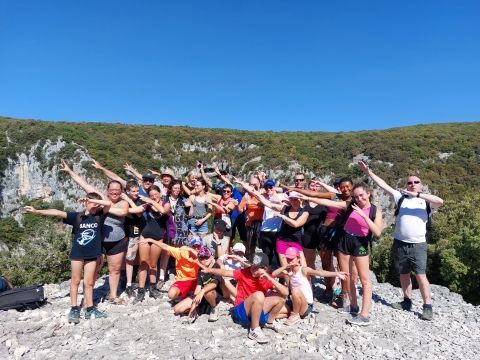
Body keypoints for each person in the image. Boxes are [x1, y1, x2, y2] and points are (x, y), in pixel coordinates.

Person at [358, 160, 444, 321]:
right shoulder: (401, 198)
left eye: (416, 182)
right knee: (404, 274)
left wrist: (417, 195)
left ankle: (427, 306)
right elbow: (383, 185)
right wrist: (368, 172)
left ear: (421, 185)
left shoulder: (426, 202)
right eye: (409, 182)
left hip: (418, 244)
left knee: (420, 275)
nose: (412, 184)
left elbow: (440, 201)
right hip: (399, 242)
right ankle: (407, 301)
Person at [303, 183, 384, 326]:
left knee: (364, 280)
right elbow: (328, 201)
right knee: (347, 275)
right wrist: (308, 197)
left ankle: (364, 315)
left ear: (368, 194)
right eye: (356, 196)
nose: (359, 199)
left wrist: (363, 215)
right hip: (345, 240)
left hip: (360, 243)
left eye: (361, 195)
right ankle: (353, 306)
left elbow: (377, 232)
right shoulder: (350, 204)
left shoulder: (375, 210)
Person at [24, 193, 111, 323]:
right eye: (92, 201)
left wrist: (92, 200)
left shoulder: (100, 216)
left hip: (93, 254)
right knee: (75, 280)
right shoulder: (76, 216)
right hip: (77, 253)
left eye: (97, 202)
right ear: (85, 203)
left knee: (89, 282)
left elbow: (108, 203)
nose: (96, 204)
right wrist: (37, 211)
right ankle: (74, 308)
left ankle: (89, 308)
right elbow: (57, 213)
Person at [60, 160, 129, 305]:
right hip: (98, 240)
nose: (114, 192)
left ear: (121, 191)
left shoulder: (123, 203)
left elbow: (123, 212)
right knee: (93, 270)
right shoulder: (102, 199)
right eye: (112, 189)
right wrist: (70, 171)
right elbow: (84, 184)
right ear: (107, 190)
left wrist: (105, 205)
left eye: (117, 190)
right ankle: (87, 299)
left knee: (114, 270)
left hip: (117, 241)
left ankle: (113, 295)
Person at [199, 252, 288, 344]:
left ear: (264, 268)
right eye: (251, 265)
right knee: (259, 295)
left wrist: (270, 279)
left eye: (255, 267)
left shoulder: (267, 278)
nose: (251, 269)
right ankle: (254, 330)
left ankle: (268, 323)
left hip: (254, 311)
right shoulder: (244, 272)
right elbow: (225, 272)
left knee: (280, 299)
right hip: (241, 310)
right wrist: (209, 270)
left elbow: (285, 293)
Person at [272, 247, 348, 325]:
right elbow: (273, 274)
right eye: (288, 259)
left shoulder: (303, 270)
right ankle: (292, 313)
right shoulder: (289, 271)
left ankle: (295, 314)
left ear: (298, 258)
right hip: (294, 302)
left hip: (306, 305)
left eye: (292, 259)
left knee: (295, 290)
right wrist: (284, 266)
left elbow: (319, 273)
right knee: (274, 313)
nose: (290, 261)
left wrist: (336, 274)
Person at [129, 185, 170, 303]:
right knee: (143, 263)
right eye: (151, 195)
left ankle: (152, 288)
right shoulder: (147, 205)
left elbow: (163, 211)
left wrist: (150, 201)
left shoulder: (166, 204)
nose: (153, 197)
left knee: (153, 264)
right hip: (145, 235)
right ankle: (141, 291)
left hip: (158, 238)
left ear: (160, 194)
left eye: (155, 194)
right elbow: (134, 210)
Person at [253, 190, 309, 268]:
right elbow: (268, 204)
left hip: (295, 241)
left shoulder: (304, 212)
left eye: (296, 199)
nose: (293, 201)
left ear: (301, 199)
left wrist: (282, 216)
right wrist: (254, 192)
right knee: (285, 267)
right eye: (291, 199)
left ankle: (304, 280)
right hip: (282, 240)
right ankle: (286, 280)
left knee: (302, 266)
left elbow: (296, 224)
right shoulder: (285, 208)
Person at [141, 237, 202, 302]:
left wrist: (191, 250)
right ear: (190, 245)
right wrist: (151, 240)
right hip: (182, 280)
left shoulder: (203, 255)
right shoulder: (181, 252)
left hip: (196, 281)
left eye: (198, 246)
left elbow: (210, 260)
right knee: (171, 294)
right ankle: (185, 295)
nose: (196, 248)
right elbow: (165, 246)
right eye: (194, 246)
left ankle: (187, 296)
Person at [173, 246, 221, 323]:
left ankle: (214, 308)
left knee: (207, 292)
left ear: (211, 256)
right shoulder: (200, 270)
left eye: (206, 257)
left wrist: (202, 292)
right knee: (177, 309)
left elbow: (214, 284)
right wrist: (193, 307)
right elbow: (198, 287)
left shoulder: (217, 267)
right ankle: (195, 312)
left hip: (213, 295)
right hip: (202, 297)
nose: (204, 260)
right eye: (201, 258)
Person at [121, 180, 146, 297]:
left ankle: (132, 282)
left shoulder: (140, 200)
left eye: (137, 190)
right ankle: (128, 283)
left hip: (136, 229)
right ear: (128, 191)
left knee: (132, 257)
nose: (136, 193)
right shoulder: (122, 200)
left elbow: (139, 213)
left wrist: (128, 203)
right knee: (127, 257)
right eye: (133, 191)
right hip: (123, 230)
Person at [235, 176, 264, 257]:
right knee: (251, 244)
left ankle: (264, 262)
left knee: (263, 244)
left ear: (259, 183)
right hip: (250, 223)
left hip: (261, 222)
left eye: (255, 184)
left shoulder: (263, 193)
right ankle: (251, 261)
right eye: (251, 184)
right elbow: (240, 210)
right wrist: (237, 206)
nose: (253, 186)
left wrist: (253, 204)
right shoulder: (247, 195)